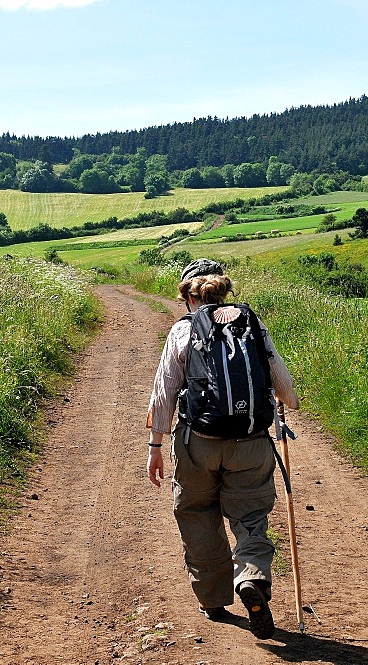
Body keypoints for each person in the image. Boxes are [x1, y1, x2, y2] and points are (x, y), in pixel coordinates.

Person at [146, 258, 299, 640]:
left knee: (197, 513)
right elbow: (288, 393)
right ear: (226, 290)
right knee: (250, 516)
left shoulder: (183, 331)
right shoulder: (253, 326)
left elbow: (164, 393)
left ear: (187, 297)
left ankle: (213, 599)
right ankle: (251, 576)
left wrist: (155, 446)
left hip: (199, 442)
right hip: (250, 444)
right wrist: (280, 407)